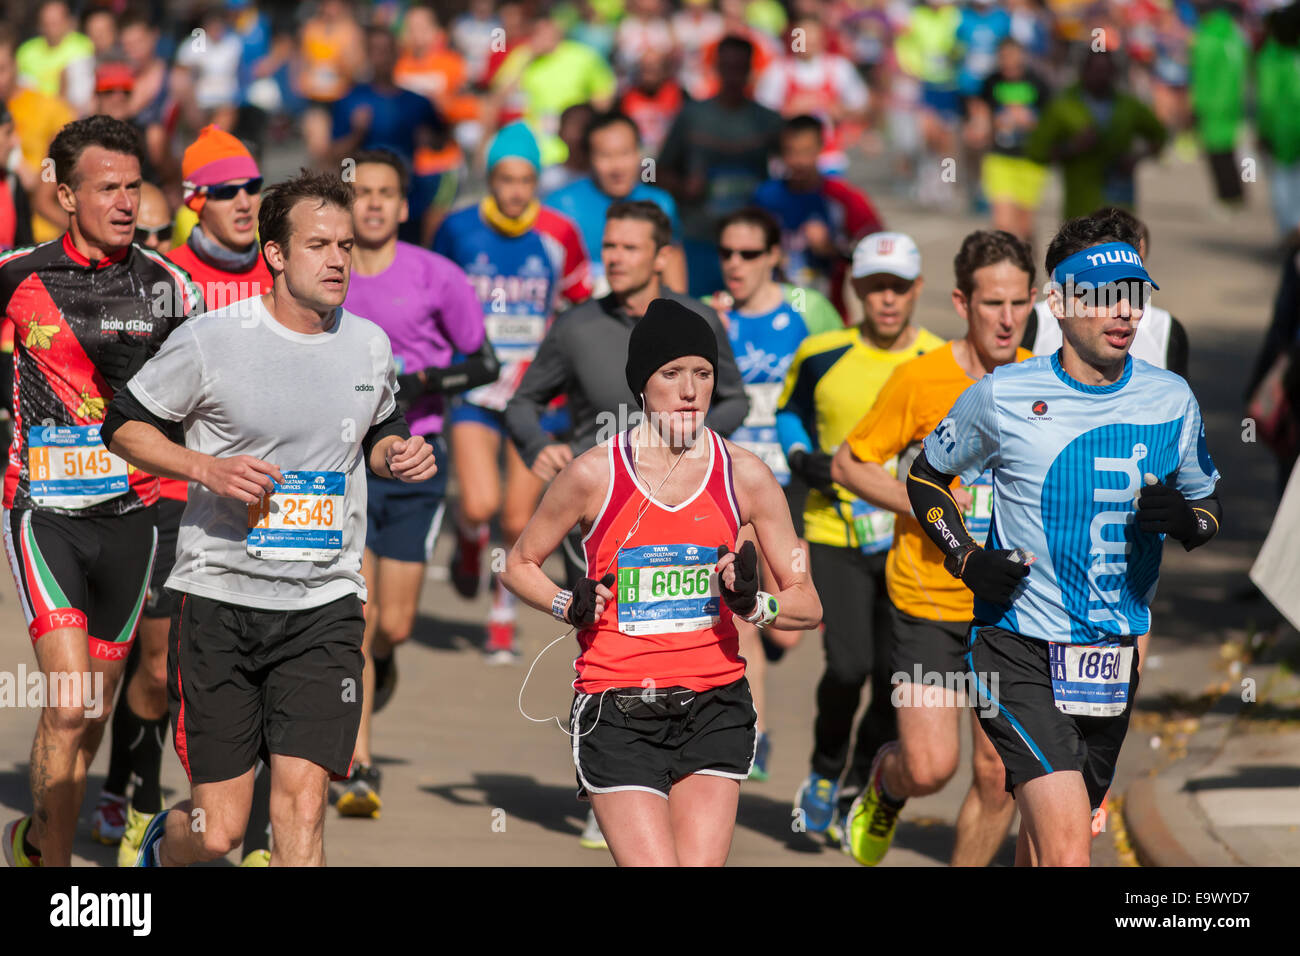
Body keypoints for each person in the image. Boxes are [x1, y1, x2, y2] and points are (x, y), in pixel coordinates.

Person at [102, 169, 436, 868]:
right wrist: (204, 468)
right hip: (222, 599)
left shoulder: (368, 345)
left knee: (302, 809)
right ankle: (167, 847)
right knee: (220, 830)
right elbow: (123, 427)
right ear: (277, 254)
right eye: (319, 244)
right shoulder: (212, 339)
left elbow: (379, 427)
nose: (340, 258)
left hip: (325, 603)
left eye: (346, 244)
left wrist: (396, 453)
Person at [906, 214, 1221, 866]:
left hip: (1110, 661)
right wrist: (966, 558)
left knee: (1052, 842)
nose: (1124, 313)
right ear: (1060, 305)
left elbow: (1209, 503)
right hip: (1017, 650)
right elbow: (926, 477)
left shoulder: (1172, 399)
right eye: (1105, 298)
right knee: (1071, 850)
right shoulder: (1003, 395)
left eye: (1135, 297)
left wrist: (1187, 521)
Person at [501, 297, 821, 866]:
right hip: (616, 706)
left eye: (703, 373)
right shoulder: (593, 473)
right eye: (672, 374)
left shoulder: (745, 475)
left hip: (716, 703)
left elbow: (806, 603)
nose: (690, 389)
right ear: (642, 385)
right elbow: (518, 563)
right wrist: (565, 604)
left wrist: (753, 604)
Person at [505, 199, 747, 850]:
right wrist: (540, 450)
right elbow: (525, 401)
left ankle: (659, 765)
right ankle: (615, 772)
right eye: (607, 246)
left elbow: (735, 396)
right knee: (606, 632)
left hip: (689, 512)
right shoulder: (576, 325)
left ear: (662, 256)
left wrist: (694, 459)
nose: (613, 257)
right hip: (597, 507)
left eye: (628, 247)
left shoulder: (697, 322)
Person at [0, 116, 201, 869]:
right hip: (45, 513)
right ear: (64, 194)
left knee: (94, 712)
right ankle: (53, 875)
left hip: (133, 520)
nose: (124, 202)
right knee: (67, 701)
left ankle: (30, 839)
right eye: (106, 188)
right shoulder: (17, 274)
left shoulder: (169, 286)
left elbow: (206, 399)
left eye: (133, 187)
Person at [830, 229, 1034, 866]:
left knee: (998, 772)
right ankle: (885, 790)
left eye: (1019, 303)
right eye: (991, 303)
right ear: (961, 302)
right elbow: (849, 463)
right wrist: (928, 502)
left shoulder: (1045, 382)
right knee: (930, 767)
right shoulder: (920, 380)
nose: (1006, 319)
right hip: (927, 600)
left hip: (1010, 608)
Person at [341, 149, 493, 817]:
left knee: (393, 625)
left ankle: (383, 661)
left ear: (404, 208)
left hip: (415, 461)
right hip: (344, 463)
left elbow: (482, 361)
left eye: (385, 194)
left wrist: (427, 382)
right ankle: (357, 764)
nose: (372, 204)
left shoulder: (439, 276)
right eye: (361, 193)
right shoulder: (330, 271)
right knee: (359, 614)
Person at [778, 231, 945, 837]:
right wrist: (801, 456)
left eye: (898, 288)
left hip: (910, 542)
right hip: (834, 533)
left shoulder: (940, 361)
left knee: (889, 675)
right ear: (855, 290)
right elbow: (789, 409)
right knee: (847, 665)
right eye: (874, 288)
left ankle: (860, 777)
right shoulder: (822, 352)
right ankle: (824, 769)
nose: (886, 301)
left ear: (917, 290)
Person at [433, 122, 592, 662]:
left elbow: (580, 305)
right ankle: (468, 540)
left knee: (518, 518)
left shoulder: (559, 233)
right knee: (478, 504)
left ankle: (500, 615)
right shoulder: (457, 229)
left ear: (538, 181)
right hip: (476, 388)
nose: (516, 190)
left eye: (526, 179)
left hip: (537, 395)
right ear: (490, 178)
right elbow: (437, 299)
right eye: (505, 178)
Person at [706, 206, 842, 780]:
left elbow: (840, 384)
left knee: (790, 625)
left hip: (798, 489)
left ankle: (779, 643)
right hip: (738, 487)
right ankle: (756, 732)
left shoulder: (805, 313)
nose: (735, 265)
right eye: (727, 254)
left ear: (772, 258)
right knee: (739, 610)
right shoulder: (713, 317)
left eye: (748, 255)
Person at [659, 35, 783, 298]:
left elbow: (792, 174)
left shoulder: (770, 121)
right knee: (699, 317)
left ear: (752, 70)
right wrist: (683, 186)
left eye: (741, 68)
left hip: (751, 246)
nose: (733, 75)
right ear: (716, 68)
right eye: (727, 66)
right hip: (700, 239)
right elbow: (654, 172)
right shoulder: (691, 115)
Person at [753, 114, 884, 312]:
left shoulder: (844, 198)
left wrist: (833, 249)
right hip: (774, 313)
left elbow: (879, 251)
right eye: (791, 152)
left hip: (828, 313)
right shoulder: (764, 197)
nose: (799, 161)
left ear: (821, 148)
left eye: (806, 152)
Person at [545, 111, 686, 293]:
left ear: (640, 154)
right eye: (605, 156)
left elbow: (675, 279)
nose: (617, 167)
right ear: (589, 158)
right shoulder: (561, 205)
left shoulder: (661, 203)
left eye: (625, 153)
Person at [1026, 50, 1167, 221]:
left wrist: (1137, 157)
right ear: (1083, 72)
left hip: (1119, 205)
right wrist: (1072, 148)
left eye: (1106, 70)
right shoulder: (1063, 106)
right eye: (1096, 70)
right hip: (1080, 207)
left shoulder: (1128, 106)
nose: (1101, 76)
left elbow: (1160, 135)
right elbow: (1036, 151)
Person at [753, 16, 871, 175]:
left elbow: (862, 106)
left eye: (812, 35)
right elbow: (761, 115)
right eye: (802, 35)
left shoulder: (839, 68)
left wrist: (837, 110)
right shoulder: (778, 71)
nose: (806, 41)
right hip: (788, 163)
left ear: (822, 38)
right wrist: (790, 109)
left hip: (829, 160)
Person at [964, 37, 1050, 240]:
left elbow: (1050, 120)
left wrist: (1029, 120)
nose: (1007, 61)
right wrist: (979, 127)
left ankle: (1028, 261)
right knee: (1002, 224)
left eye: (1011, 55)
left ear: (1021, 56)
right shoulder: (991, 81)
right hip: (999, 157)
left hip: (1029, 159)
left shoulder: (1037, 82)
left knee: (1024, 226)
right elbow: (980, 112)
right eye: (1003, 56)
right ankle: (1005, 267)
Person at [0, 25, 76, 243]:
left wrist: (19, 162)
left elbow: (45, 179)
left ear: (16, 65)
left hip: (40, 233)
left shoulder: (49, 109)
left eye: (2, 68)